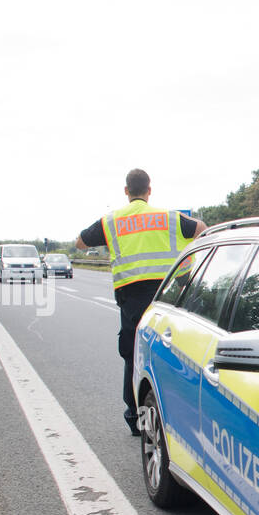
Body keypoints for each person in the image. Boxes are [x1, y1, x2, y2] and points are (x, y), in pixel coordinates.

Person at [78, 169, 206, 435]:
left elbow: (80, 242)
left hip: (133, 300)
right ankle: (176, 418)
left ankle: (136, 418)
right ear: (150, 190)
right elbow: (202, 230)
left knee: (133, 356)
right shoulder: (169, 218)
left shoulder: (112, 221)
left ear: (126, 191)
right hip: (168, 296)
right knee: (174, 353)